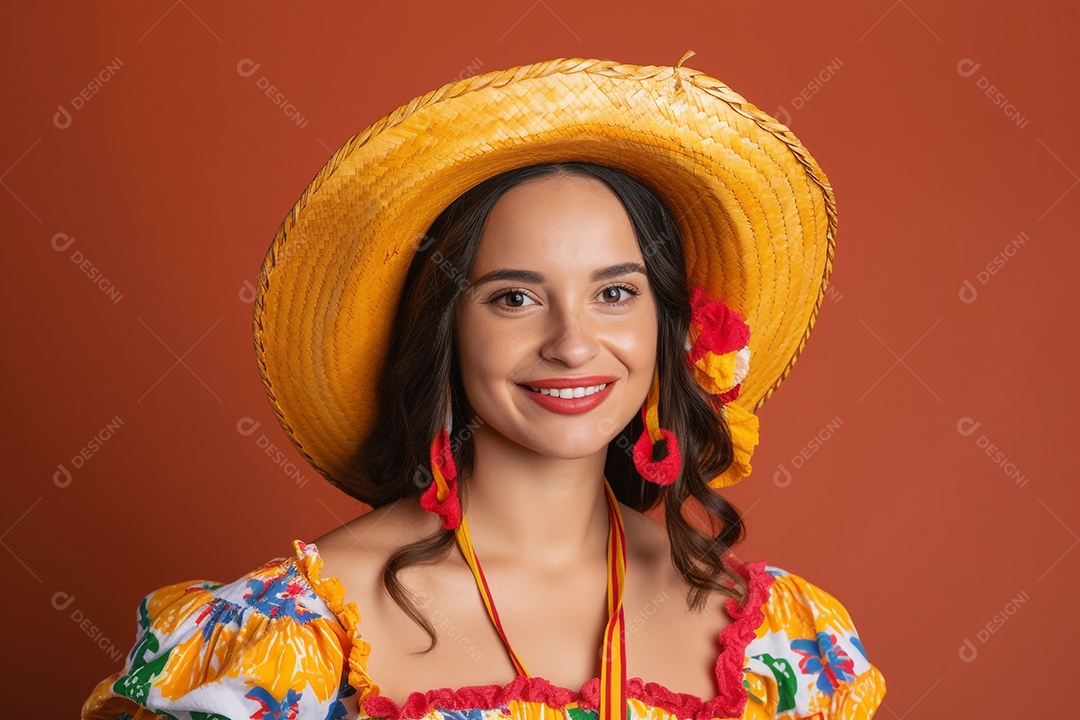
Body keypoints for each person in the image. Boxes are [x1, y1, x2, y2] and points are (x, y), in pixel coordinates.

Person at [82, 53, 886, 720]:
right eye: (514, 299)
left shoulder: (786, 646)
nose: (573, 344)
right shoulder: (281, 641)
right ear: (446, 329)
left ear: (668, 327)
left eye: (615, 292)